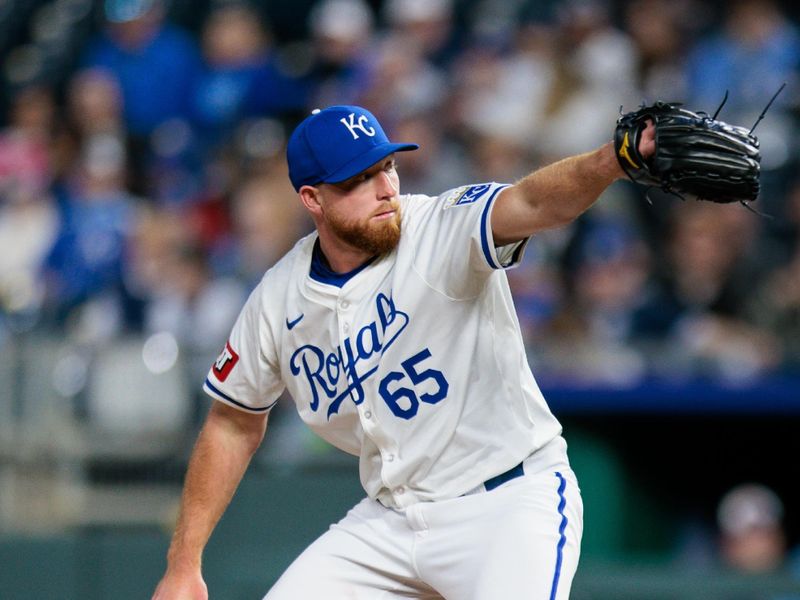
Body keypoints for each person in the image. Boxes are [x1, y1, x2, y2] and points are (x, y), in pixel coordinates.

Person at [152, 104, 655, 599]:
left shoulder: (442, 226)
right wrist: (183, 564)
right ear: (312, 198)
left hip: (506, 501)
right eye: (359, 179)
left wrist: (611, 161)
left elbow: (533, 204)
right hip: (390, 520)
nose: (386, 189)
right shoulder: (277, 298)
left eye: (386, 166)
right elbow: (231, 422)